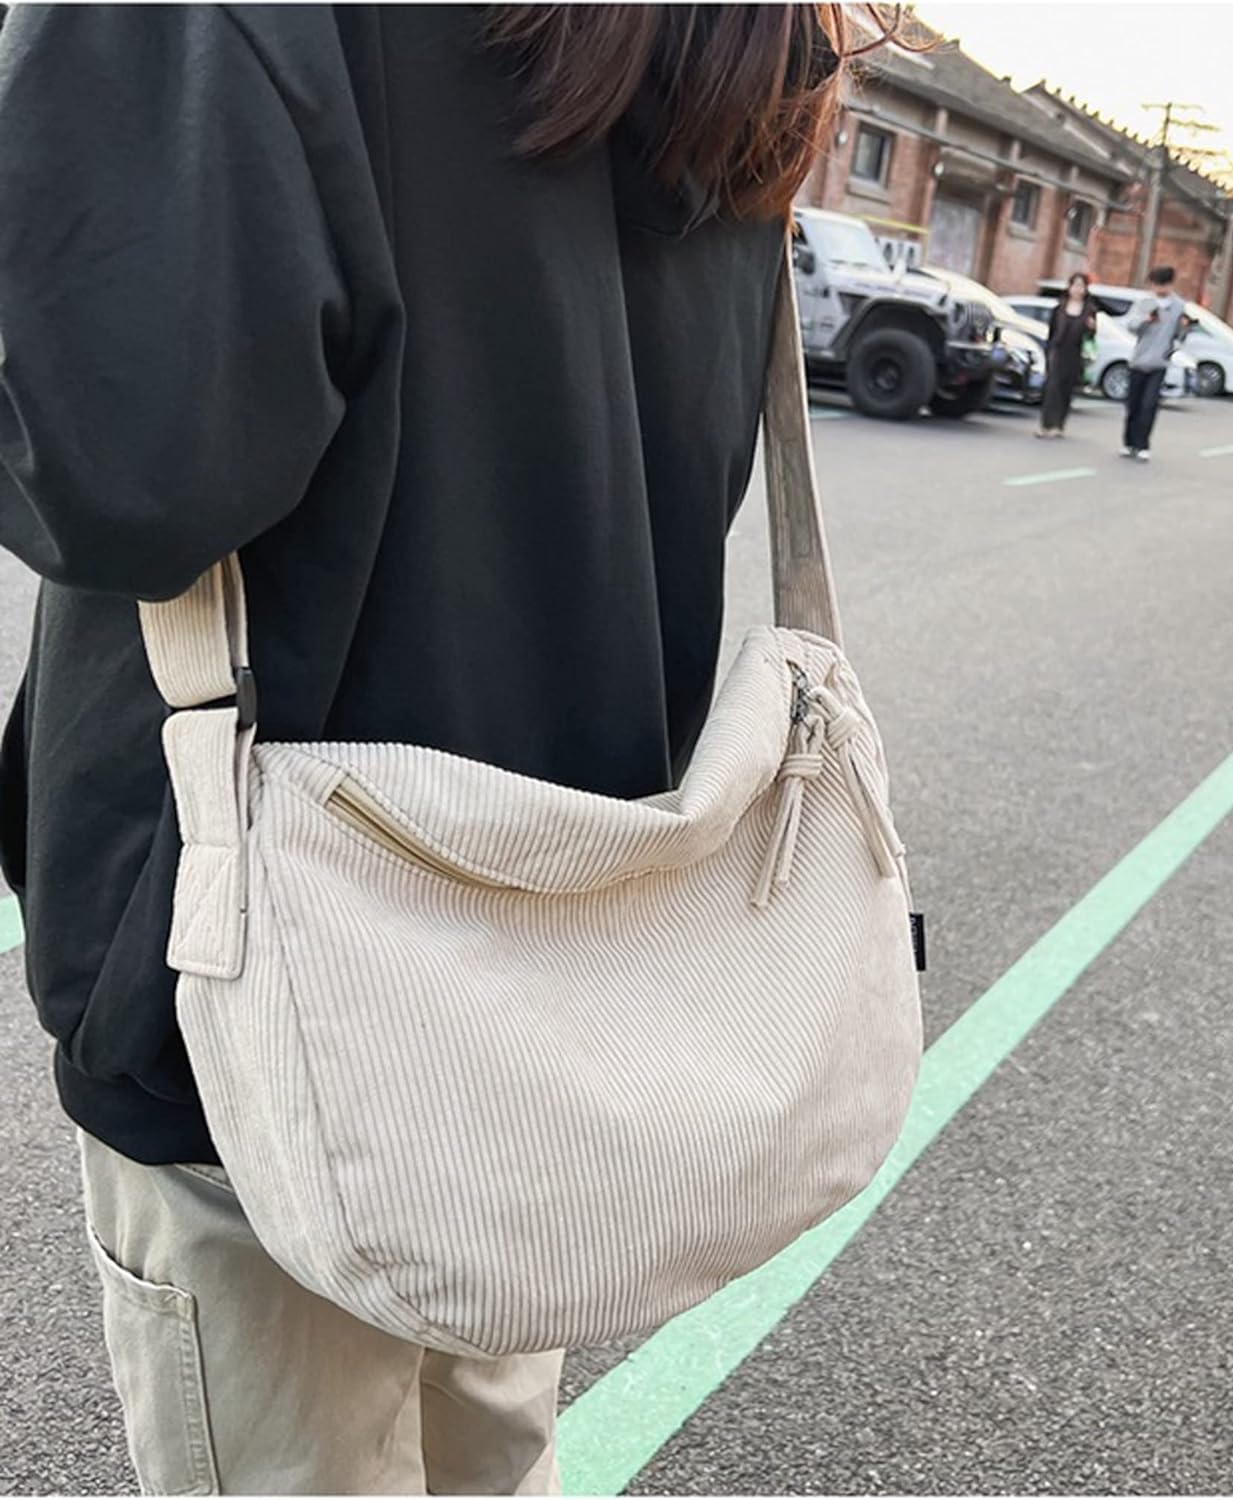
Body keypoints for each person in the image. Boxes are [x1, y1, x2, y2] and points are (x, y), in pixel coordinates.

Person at [0, 5, 873, 1492]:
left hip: (262, 965)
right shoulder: (740, 29)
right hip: (552, 940)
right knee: (489, 1441)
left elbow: (116, 474)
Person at [1121, 265, 1190, 460]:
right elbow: (1131, 326)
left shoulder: (1178, 306)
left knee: (1149, 405)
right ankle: (1128, 443)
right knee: (1133, 405)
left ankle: (1143, 444)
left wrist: (1184, 329)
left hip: (1159, 363)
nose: (1160, 289)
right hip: (1138, 360)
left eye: (1164, 284)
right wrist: (1146, 319)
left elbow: (1180, 335)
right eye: (1157, 284)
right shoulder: (1144, 302)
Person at [1037, 271, 1098, 437]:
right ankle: (1046, 425)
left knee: (1066, 389)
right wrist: (1048, 350)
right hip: (1058, 350)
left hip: (1075, 353)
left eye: (1081, 286)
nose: (1077, 289)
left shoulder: (1090, 310)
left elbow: (1091, 337)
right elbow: (1052, 331)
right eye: (1075, 285)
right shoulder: (1059, 307)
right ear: (1069, 287)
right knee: (1052, 388)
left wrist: (1091, 328)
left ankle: (1058, 425)